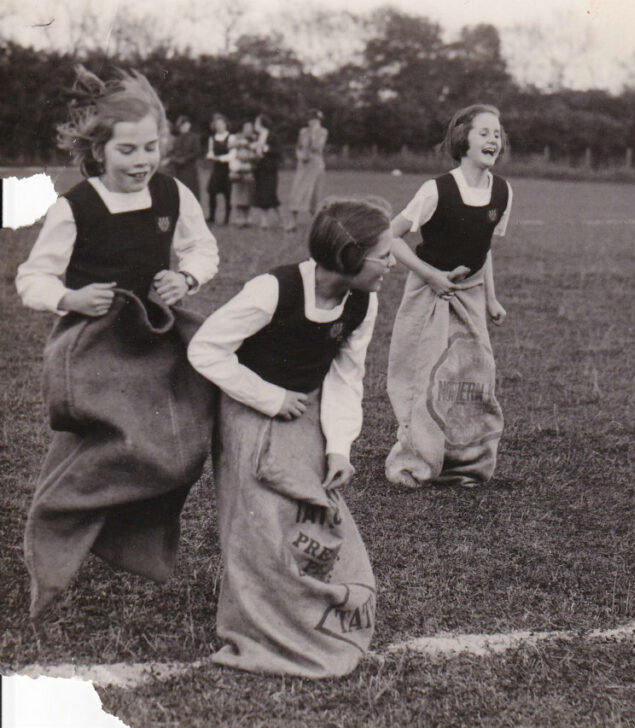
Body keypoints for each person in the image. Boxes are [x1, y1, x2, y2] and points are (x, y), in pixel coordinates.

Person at [14, 65, 219, 617]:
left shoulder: (173, 194)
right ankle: (54, 543)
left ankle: (126, 540)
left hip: (154, 339)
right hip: (93, 348)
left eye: (150, 147)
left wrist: (187, 278)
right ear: (98, 151)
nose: (141, 160)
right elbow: (32, 279)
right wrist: (70, 299)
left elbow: (203, 251)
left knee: (177, 451)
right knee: (92, 450)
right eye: (128, 149)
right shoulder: (75, 206)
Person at [187, 198, 394, 677]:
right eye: (384, 255)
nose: (392, 263)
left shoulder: (364, 301)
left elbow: (346, 376)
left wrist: (340, 445)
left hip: (307, 409)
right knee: (257, 526)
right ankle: (259, 625)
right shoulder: (270, 291)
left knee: (313, 513)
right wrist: (269, 397)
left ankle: (307, 615)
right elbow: (207, 349)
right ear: (349, 258)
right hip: (248, 409)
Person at [385, 103, 512, 489]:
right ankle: (415, 458)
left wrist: (491, 298)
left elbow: (484, 249)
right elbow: (390, 237)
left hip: (470, 295)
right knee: (423, 374)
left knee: (474, 374)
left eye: (497, 133)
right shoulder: (436, 189)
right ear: (463, 139)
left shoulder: (503, 191)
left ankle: (466, 464)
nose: (494, 139)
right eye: (484, 132)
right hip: (428, 292)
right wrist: (432, 276)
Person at [285, 109, 328, 232]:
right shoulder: (302, 132)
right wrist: (299, 155)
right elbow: (298, 146)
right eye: (311, 119)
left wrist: (312, 133)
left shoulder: (323, 132)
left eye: (315, 119)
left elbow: (317, 147)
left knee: (315, 193)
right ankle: (292, 222)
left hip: (316, 164)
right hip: (303, 165)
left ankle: (317, 223)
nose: (312, 122)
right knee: (297, 191)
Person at [250, 113, 283, 230]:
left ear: (261, 124)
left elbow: (278, 152)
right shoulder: (256, 137)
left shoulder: (272, 136)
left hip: (270, 169)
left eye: (256, 122)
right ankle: (264, 222)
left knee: (270, 194)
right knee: (261, 195)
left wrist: (266, 149)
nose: (255, 125)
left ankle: (282, 220)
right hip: (259, 169)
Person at [227, 120, 257, 227]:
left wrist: (249, 145)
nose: (248, 130)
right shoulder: (237, 137)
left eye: (250, 127)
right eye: (246, 127)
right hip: (237, 169)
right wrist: (240, 143)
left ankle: (248, 217)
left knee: (248, 194)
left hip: (249, 168)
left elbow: (257, 152)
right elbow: (229, 146)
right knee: (238, 193)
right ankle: (239, 218)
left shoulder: (255, 138)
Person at [205, 113, 232, 225]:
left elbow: (231, 155)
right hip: (216, 169)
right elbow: (210, 152)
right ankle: (212, 216)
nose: (219, 126)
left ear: (225, 125)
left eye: (221, 124)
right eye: (217, 125)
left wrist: (219, 158)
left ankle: (226, 218)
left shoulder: (231, 137)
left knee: (227, 193)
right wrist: (210, 156)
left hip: (227, 168)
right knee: (212, 191)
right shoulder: (212, 138)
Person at [166, 115, 201, 198]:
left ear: (189, 125)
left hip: (189, 168)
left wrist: (184, 159)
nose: (184, 127)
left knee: (191, 190)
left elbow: (197, 152)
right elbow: (173, 152)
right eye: (182, 126)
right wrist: (174, 159)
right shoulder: (177, 139)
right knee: (180, 191)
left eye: (186, 125)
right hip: (178, 169)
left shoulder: (194, 138)